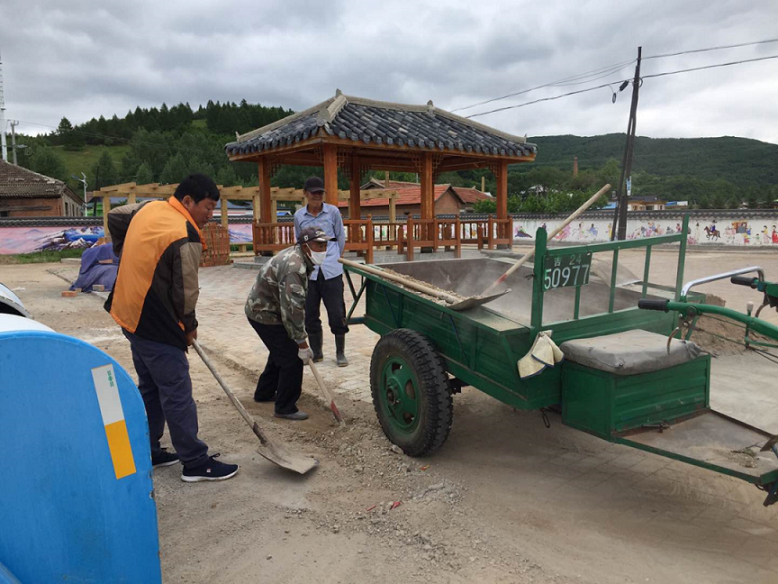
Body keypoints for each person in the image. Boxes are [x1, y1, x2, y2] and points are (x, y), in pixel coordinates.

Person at [104, 173, 239, 483]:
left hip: (129, 312)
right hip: (154, 323)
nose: (210, 216)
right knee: (177, 391)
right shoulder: (185, 233)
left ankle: (149, 449)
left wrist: (122, 250)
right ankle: (195, 463)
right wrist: (189, 327)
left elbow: (115, 216)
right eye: (207, 208)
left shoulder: (152, 209)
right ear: (188, 201)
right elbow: (185, 293)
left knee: (151, 386)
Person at [245, 227, 333, 420]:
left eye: (325, 244)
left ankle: (264, 393)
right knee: (292, 358)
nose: (323, 249)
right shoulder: (295, 267)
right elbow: (293, 311)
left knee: (280, 352)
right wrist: (302, 344)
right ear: (306, 246)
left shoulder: (300, 256)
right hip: (264, 314)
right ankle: (285, 407)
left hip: (267, 309)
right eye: (319, 244)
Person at [293, 176, 349, 367]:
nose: (317, 196)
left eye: (320, 193)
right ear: (305, 194)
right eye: (313, 193)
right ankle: (317, 352)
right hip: (310, 272)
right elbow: (298, 243)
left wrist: (333, 258)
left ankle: (340, 352)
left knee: (336, 311)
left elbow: (340, 238)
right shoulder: (299, 216)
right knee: (310, 313)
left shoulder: (333, 212)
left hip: (332, 270)